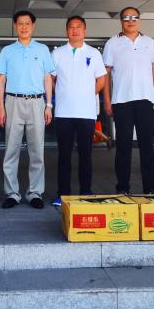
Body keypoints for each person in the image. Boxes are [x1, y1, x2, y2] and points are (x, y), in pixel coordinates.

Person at [0, 10, 55, 209]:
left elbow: (48, 78)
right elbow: (1, 79)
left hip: (37, 103)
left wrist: (48, 105)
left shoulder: (43, 49)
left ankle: (35, 193)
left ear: (33, 26)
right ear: (15, 26)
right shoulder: (7, 50)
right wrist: (1, 106)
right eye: (20, 23)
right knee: (11, 150)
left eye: (27, 23)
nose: (23, 27)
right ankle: (12, 193)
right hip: (13, 102)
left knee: (37, 150)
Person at [102, 6, 154, 195]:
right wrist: (107, 100)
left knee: (147, 146)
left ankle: (150, 188)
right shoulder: (112, 43)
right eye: (126, 17)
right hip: (122, 101)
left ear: (139, 20)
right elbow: (106, 74)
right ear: (121, 21)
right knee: (123, 147)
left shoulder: (149, 42)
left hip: (146, 100)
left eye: (134, 17)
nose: (130, 21)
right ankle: (122, 188)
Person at [51, 15, 106, 206]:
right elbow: (51, 79)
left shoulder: (94, 53)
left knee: (86, 155)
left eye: (78, 27)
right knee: (64, 155)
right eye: (71, 27)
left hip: (86, 113)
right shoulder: (57, 53)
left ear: (84, 30)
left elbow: (101, 80)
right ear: (67, 31)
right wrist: (60, 92)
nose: (75, 30)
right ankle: (63, 194)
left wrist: (87, 94)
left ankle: (86, 192)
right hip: (63, 113)